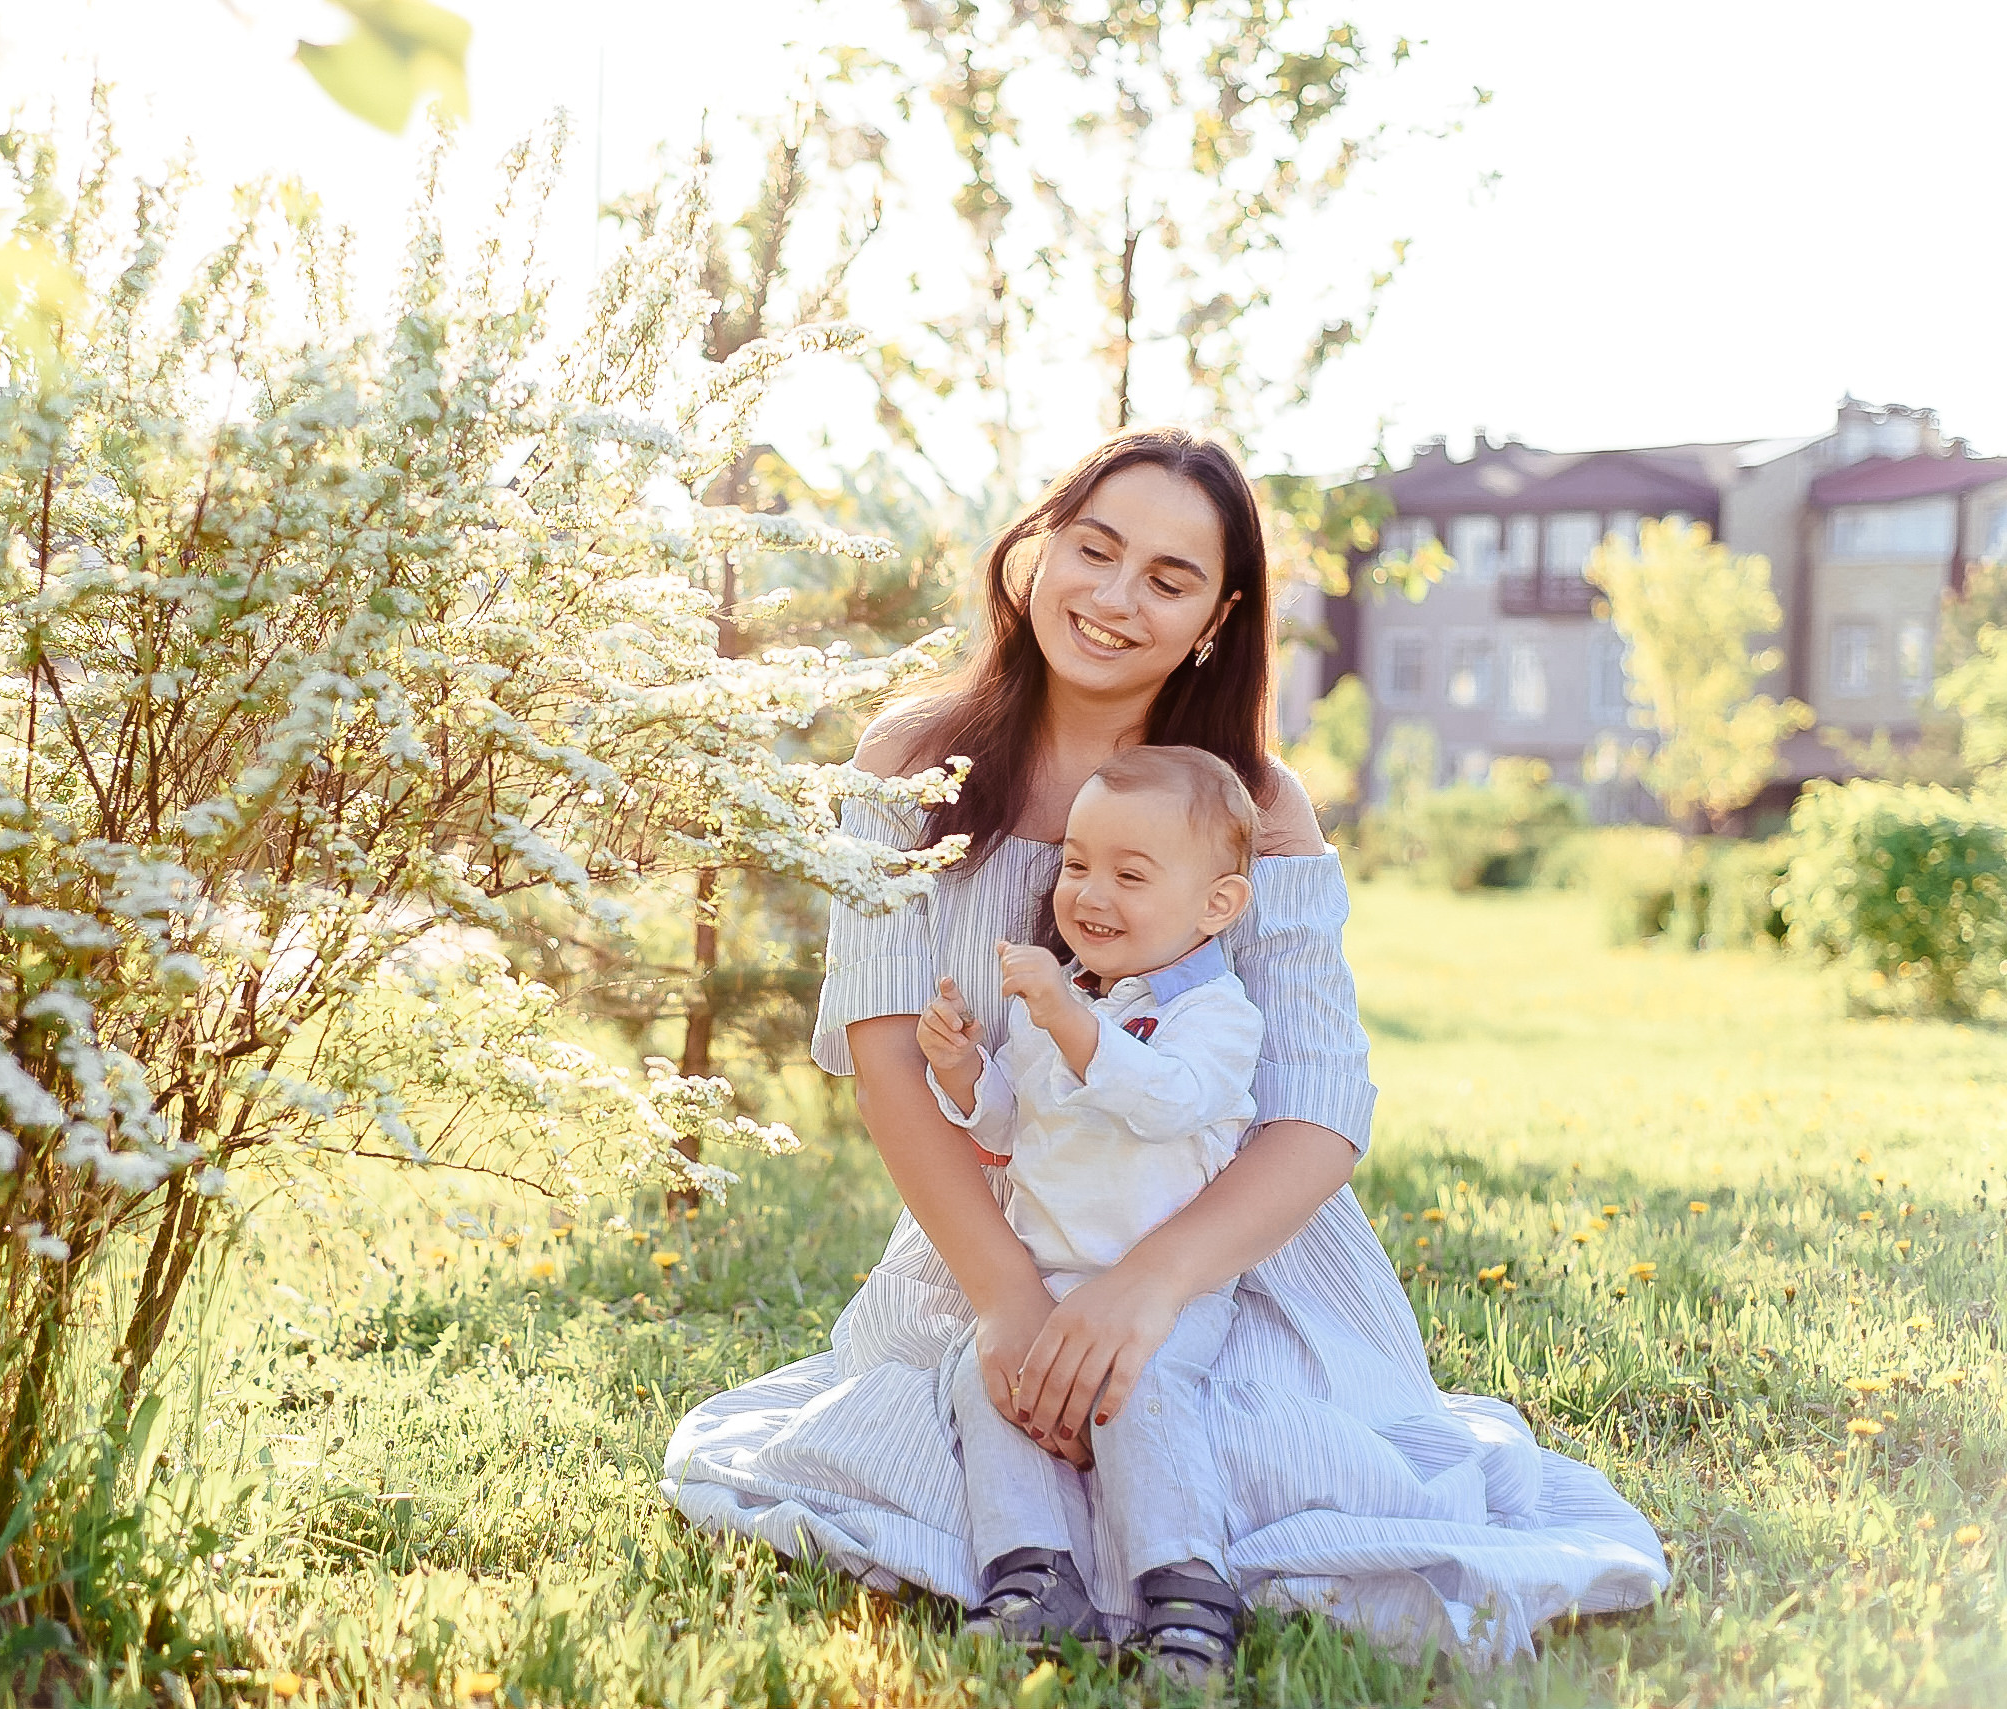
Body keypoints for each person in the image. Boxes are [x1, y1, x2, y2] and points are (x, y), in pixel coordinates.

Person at [662, 427, 1668, 1671]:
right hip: (1004, 1232)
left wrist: (1148, 1291)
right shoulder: (910, 763)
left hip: (1221, 1249)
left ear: (1216, 616)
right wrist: (1013, 1304)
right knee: (972, 1426)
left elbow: (1316, 1111)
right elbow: (888, 1069)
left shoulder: (1257, 804)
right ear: (1036, 549)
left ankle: (1179, 1576)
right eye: (1094, 548)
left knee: (1221, 1447)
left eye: (1169, 577)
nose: (1114, 595)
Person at [917, 744, 1267, 1674]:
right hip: (1051, 1274)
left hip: (1162, 1289)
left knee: (1134, 1392)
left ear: (1215, 906)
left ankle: (1184, 1585)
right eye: (1077, 865)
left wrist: (1069, 1023)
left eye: (1130, 874)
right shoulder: (1059, 1002)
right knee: (985, 1388)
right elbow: (1016, 1128)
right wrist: (965, 1074)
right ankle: (1035, 1572)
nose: (1090, 893)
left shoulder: (1215, 1015)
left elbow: (1166, 1102)